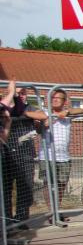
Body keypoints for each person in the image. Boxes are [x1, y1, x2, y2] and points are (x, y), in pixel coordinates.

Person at [3, 85, 48, 229]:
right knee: (5, 189)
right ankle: (6, 220)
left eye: (23, 93)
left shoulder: (29, 108)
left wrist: (24, 112)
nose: (20, 96)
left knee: (25, 188)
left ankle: (21, 220)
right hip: (7, 154)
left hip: (26, 155)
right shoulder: (5, 108)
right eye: (17, 94)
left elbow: (43, 116)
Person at [38, 88, 74, 221]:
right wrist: (53, 118)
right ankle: (51, 212)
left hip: (64, 157)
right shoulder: (44, 112)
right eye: (53, 97)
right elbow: (39, 128)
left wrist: (67, 112)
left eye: (58, 98)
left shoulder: (67, 114)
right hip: (47, 156)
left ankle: (57, 210)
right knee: (48, 184)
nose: (55, 99)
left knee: (61, 184)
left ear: (64, 101)